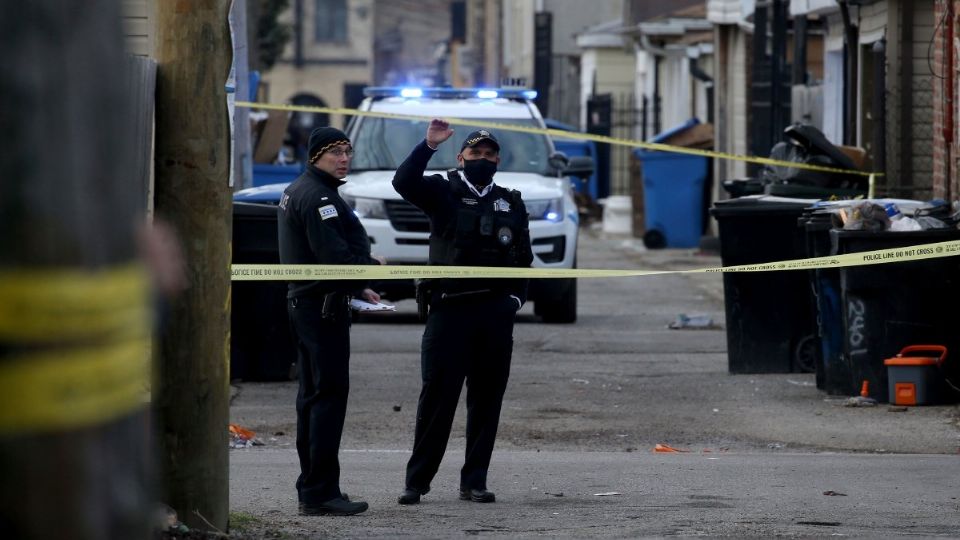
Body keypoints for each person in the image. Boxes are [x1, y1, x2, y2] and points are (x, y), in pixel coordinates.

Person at [392, 120, 534, 505]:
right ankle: (417, 482)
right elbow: (403, 183)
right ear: (461, 157)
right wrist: (427, 146)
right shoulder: (442, 191)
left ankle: (474, 481)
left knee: (487, 402)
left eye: (490, 154)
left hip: (494, 313)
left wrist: (514, 301)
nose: (483, 159)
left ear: (498, 160)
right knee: (437, 399)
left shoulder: (510, 201)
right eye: (475, 153)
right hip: (449, 310)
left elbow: (523, 258)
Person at [278, 127, 382, 516]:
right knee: (327, 399)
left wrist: (360, 289)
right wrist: (372, 269)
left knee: (312, 398)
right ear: (314, 156)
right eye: (334, 152)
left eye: (347, 151)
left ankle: (313, 487)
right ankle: (321, 492)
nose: (343, 158)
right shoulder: (319, 197)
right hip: (321, 309)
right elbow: (335, 260)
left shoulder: (300, 189)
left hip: (310, 303)